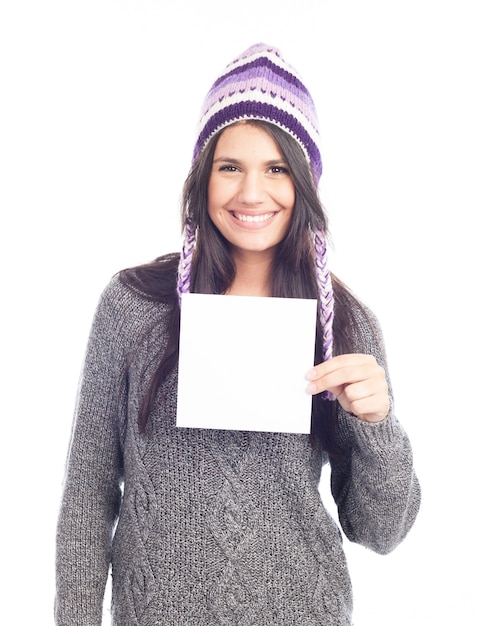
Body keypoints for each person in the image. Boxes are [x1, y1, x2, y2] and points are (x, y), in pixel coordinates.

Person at [55, 43, 421, 626]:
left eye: (277, 168)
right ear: (203, 178)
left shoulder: (348, 325)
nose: (252, 193)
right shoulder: (133, 305)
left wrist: (378, 427)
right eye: (231, 167)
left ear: (305, 183)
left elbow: (380, 532)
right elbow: (88, 494)